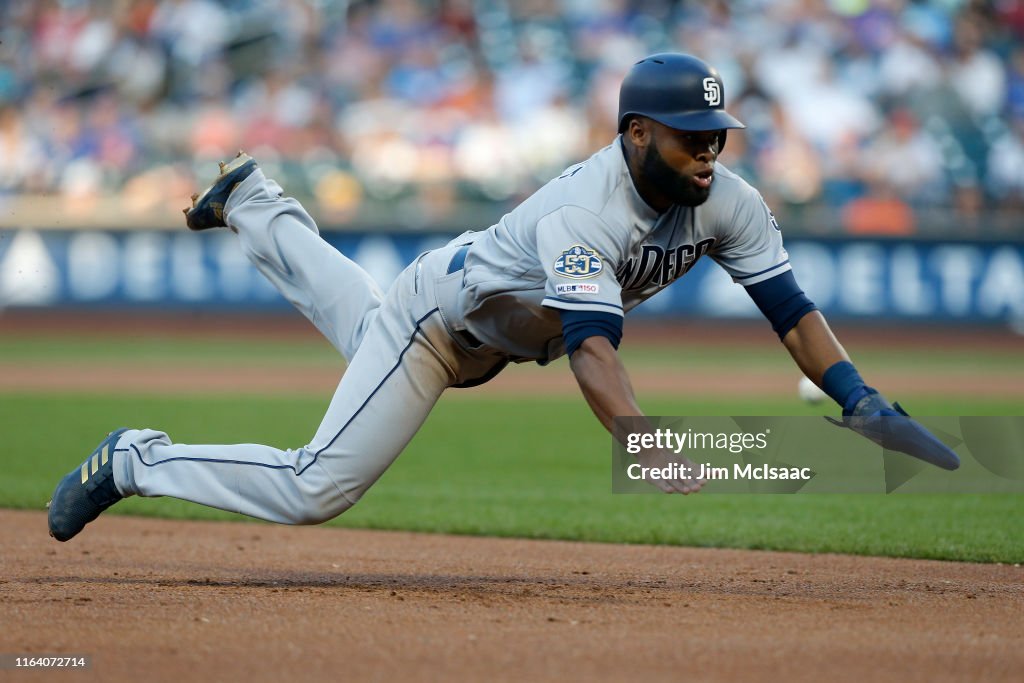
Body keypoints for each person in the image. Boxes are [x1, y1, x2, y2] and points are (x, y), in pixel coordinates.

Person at [47, 54, 957, 542]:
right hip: (439, 327)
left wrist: (861, 402)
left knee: (360, 313)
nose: (710, 152)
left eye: (717, 135)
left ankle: (251, 198)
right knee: (316, 485)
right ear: (636, 133)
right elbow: (594, 353)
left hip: (474, 307)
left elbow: (792, 312)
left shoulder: (730, 200)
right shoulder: (584, 214)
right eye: (689, 138)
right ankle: (136, 457)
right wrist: (646, 444)